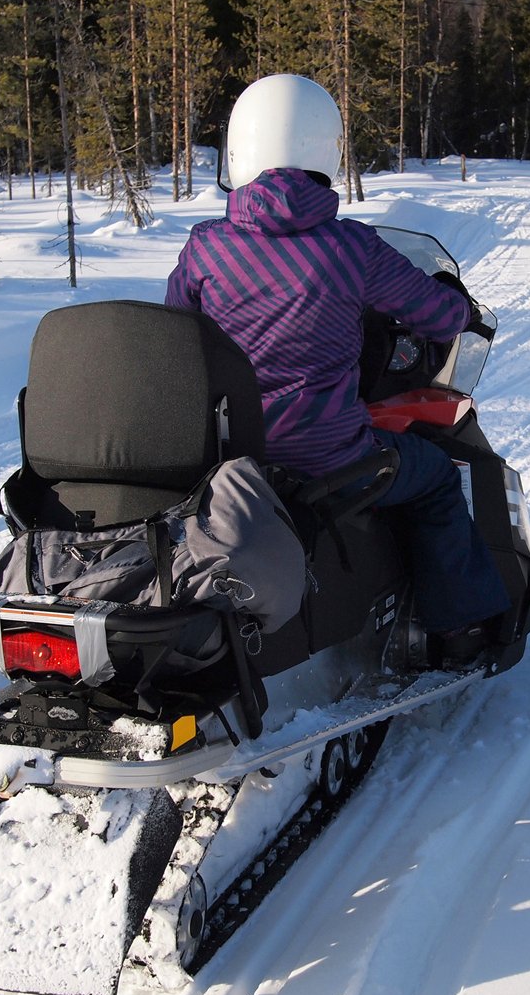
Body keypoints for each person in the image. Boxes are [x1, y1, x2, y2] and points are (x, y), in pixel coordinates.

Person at [165, 73, 510, 664]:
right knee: (434, 479)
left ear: (240, 150)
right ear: (324, 148)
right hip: (331, 460)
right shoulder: (350, 247)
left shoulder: (205, 248)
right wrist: (457, 307)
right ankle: (460, 629)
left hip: (233, 463)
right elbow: (437, 313)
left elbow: (175, 338)